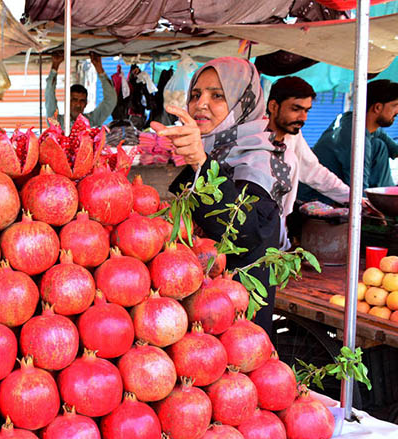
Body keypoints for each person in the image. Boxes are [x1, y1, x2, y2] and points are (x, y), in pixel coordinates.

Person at [152, 57, 292, 337]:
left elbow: (242, 232)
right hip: (193, 314)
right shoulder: (212, 151)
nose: (201, 103)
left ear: (245, 103)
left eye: (217, 95)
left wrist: (200, 163)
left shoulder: (261, 160)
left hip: (236, 321)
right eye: (195, 94)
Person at [265, 76, 350, 248]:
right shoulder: (249, 138)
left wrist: (353, 198)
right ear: (273, 106)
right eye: (296, 109)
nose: (303, 118)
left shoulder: (293, 137)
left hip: (278, 229)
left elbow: (315, 172)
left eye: (307, 111)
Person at [301, 79, 398, 203]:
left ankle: (388, 200)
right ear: (378, 107)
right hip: (317, 200)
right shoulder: (356, 139)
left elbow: (393, 148)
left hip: (339, 191)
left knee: (379, 145)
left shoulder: (351, 120)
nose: (397, 112)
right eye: (395, 106)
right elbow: (358, 189)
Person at [45, 51, 116, 128]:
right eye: (74, 100)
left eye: (82, 101)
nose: (78, 105)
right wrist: (55, 66)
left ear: (86, 103)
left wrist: (100, 70)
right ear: (67, 101)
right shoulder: (57, 122)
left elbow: (110, 100)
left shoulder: (92, 120)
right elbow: (49, 96)